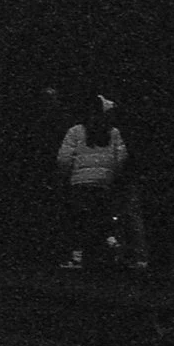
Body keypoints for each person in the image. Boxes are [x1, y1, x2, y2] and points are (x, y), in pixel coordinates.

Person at [54, 94, 127, 269]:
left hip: (80, 182)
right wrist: (112, 174)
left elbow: (64, 158)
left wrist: (66, 174)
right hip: (104, 183)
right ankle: (113, 245)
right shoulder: (113, 132)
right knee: (102, 219)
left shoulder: (76, 131)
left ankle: (77, 258)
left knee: (79, 221)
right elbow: (121, 158)